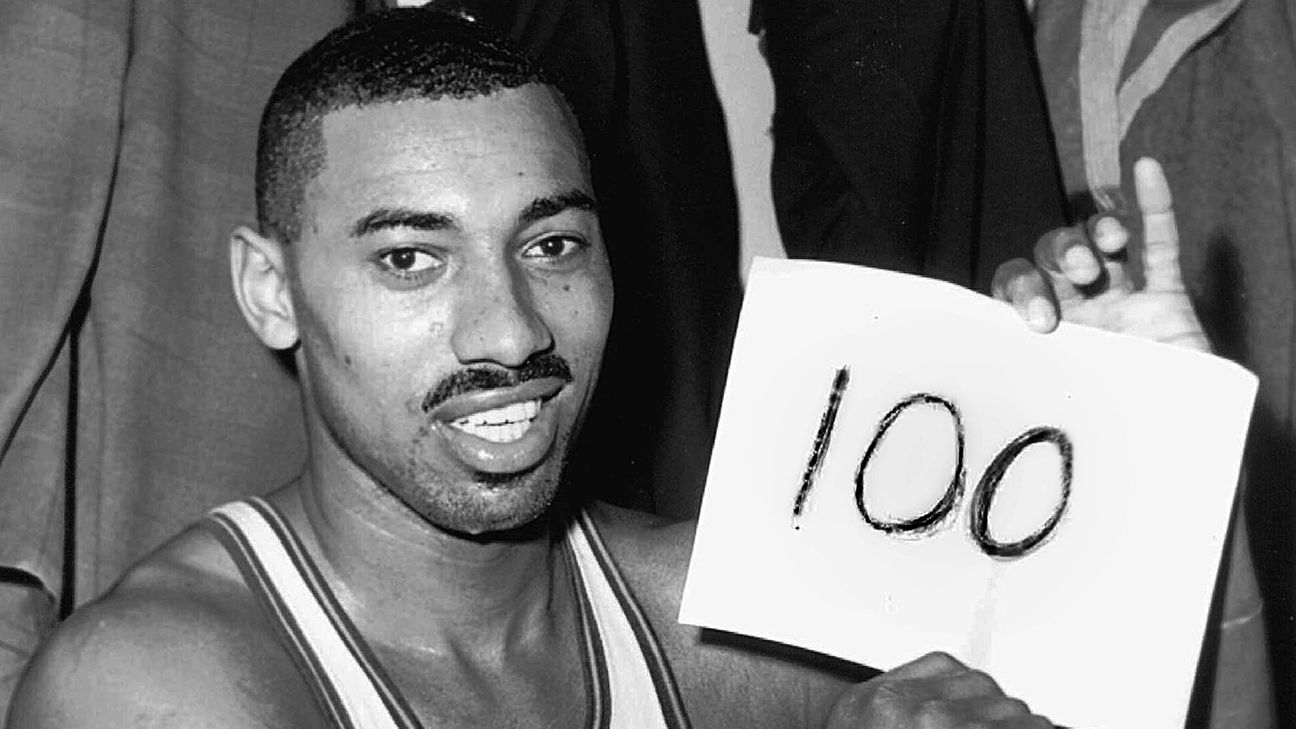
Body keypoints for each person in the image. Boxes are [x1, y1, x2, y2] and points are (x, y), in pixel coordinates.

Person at [1, 9, 1244, 728]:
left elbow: (1092, 688)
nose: (508, 335)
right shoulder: (160, 684)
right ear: (270, 290)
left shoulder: (713, 610)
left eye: (550, 244)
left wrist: (1144, 449)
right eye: (410, 262)